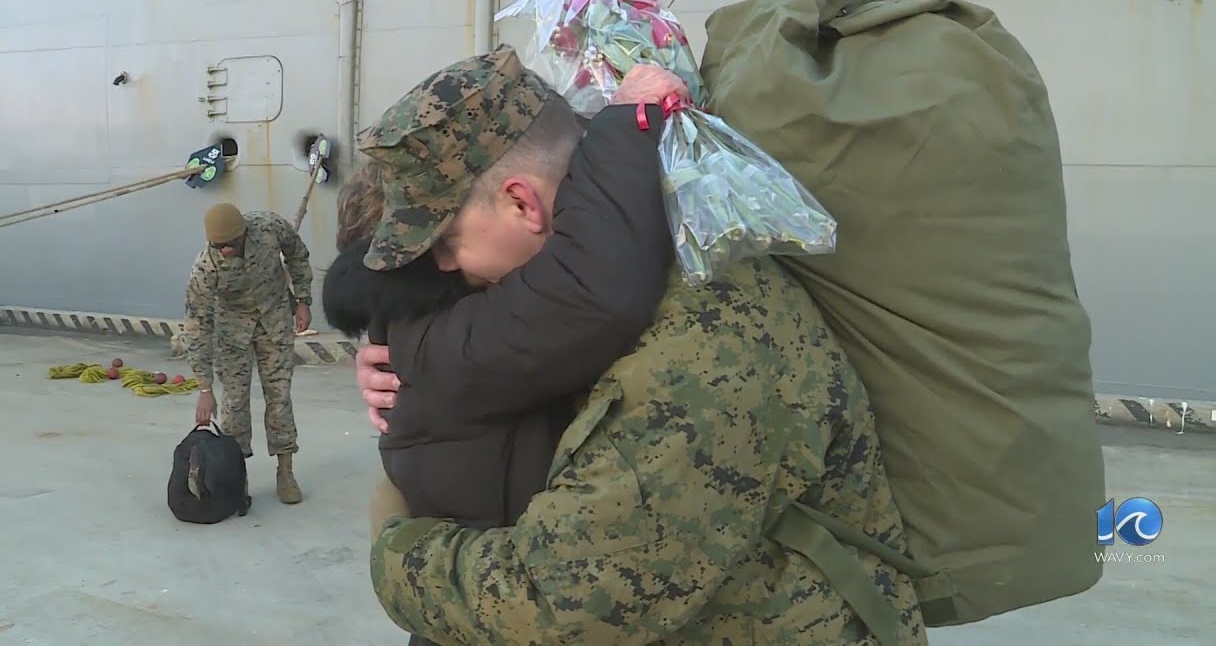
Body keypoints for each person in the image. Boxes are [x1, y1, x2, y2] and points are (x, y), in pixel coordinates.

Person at [355, 45, 928, 645]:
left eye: (443, 242)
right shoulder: (610, 263)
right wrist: (408, 369)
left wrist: (398, 544)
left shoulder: (700, 342)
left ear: (523, 203)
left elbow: (558, 605)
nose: (441, 268)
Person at [323, 91, 672, 541]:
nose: (449, 263)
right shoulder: (447, 345)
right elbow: (594, 287)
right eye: (440, 247)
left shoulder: (439, 322)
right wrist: (625, 121)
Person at [182, 203, 313, 506]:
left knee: (279, 399)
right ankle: (236, 477)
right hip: (233, 333)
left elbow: (296, 253)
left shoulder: (268, 228)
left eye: (231, 244)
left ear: (244, 233)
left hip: (274, 320)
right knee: (234, 407)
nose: (225, 250)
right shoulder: (205, 268)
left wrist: (303, 300)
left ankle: (285, 471)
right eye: (219, 246)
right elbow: (196, 325)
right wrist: (204, 387)